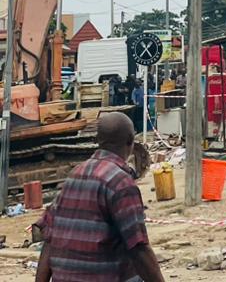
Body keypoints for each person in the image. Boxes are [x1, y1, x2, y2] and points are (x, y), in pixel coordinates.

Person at [35, 111, 164, 282]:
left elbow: (49, 240)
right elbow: (139, 249)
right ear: (130, 141)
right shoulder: (120, 182)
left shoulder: (75, 174)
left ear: (98, 141)